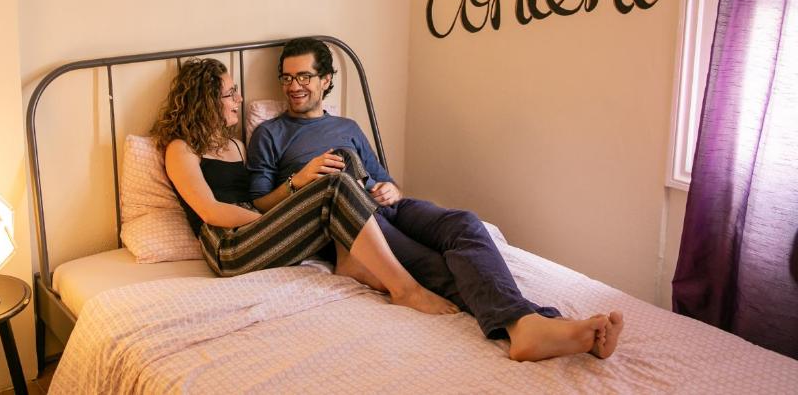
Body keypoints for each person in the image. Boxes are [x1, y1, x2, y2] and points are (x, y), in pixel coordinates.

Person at [248, 37, 625, 362]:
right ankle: (533, 325)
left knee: (465, 224)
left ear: (326, 79)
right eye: (287, 77)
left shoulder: (348, 127)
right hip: (352, 221)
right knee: (430, 263)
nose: (294, 85)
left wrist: (390, 188)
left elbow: (383, 177)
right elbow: (262, 205)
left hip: (386, 206)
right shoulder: (270, 134)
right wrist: (300, 179)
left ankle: (535, 326)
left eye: (304, 76)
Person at [153, 57, 457, 316]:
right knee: (333, 185)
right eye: (231, 93)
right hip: (229, 246)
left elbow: (258, 203)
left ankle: (348, 261)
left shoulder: (235, 145)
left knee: (342, 159)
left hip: (257, 232)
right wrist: (274, 221)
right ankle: (406, 289)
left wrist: (291, 194)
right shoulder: (181, 149)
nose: (239, 99)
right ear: (207, 101)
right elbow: (211, 211)